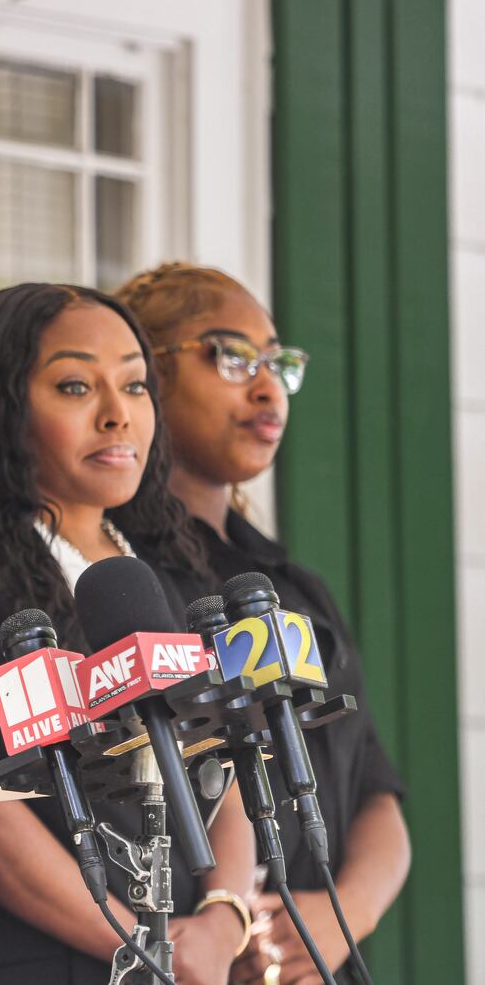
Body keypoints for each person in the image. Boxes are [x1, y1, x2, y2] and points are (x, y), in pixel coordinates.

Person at [0, 282, 257, 985]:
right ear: (0, 405)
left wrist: (224, 918)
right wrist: (141, 943)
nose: (117, 415)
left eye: (135, 386)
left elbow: (225, 774)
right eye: (76, 386)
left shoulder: (170, 561)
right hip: (41, 955)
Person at [116, 262, 410, 985]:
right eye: (231, 355)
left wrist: (341, 916)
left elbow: (378, 786)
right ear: (144, 372)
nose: (266, 384)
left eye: (277, 362)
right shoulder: (116, 578)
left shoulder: (291, 586)